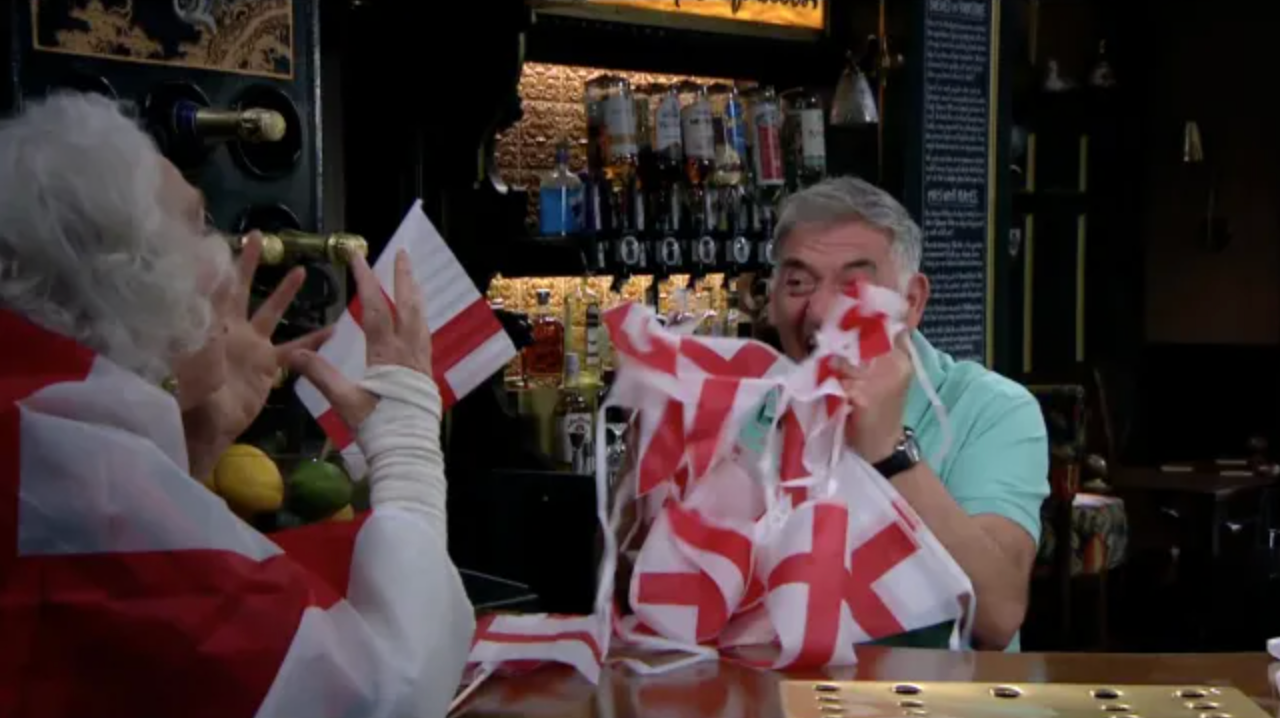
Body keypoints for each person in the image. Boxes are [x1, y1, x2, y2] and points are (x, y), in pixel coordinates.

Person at [0, 92, 472, 716]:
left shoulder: (34, 423)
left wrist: (194, 447)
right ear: (126, 273)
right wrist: (409, 450)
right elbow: (381, 696)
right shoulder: (78, 479)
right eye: (196, 225)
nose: (223, 256)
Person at [768, 176, 1049, 651]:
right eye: (798, 283)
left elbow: (998, 615)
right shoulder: (745, 408)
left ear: (912, 302)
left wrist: (888, 450)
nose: (819, 311)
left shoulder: (992, 408)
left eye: (853, 285)